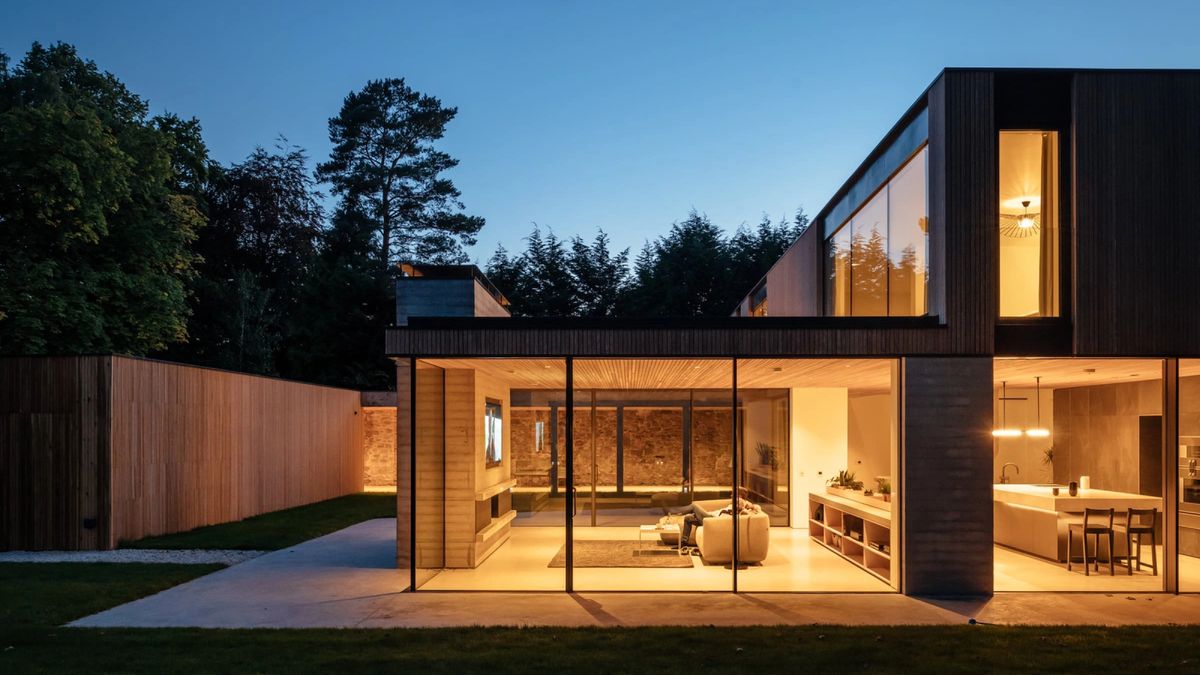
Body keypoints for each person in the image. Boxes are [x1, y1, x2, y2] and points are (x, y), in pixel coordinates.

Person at [668, 488, 761, 550]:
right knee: (688, 518)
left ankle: (675, 512)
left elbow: (755, 508)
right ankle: (684, 543)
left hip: (713, 521)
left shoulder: (741, 502)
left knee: (694, 506)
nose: (731, 495)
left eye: (733, 494)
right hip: (711, 517)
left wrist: (748, 505)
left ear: (739, 496)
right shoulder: (738, 502)